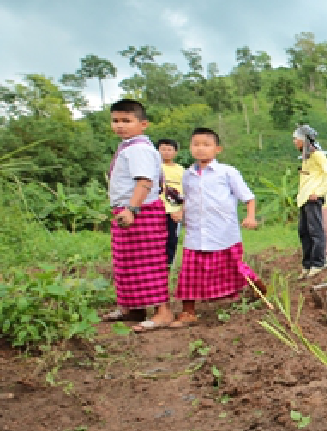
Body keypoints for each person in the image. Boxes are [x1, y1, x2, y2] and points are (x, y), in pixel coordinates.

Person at [164, 128, 262, 329]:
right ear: (190, 148)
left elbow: (248, 197)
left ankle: (260, 289)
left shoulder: (227, 172)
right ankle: (188, 312)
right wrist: (180, 212)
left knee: (235, 268)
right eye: (196, 144)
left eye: (206, 144)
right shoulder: (188, 175)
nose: (200, 149)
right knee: (189, 273)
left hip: (223, 233)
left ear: (217, 149)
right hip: (195, 234)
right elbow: (188, 199)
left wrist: (250, 217)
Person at [103, 99, 173, 330]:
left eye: (126, 121)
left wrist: (132, 209)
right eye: (116, 121)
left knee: (148, 263)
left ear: (143, 124)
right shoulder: (129, 146)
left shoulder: (138, 149)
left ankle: (162, 312)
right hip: (129, 211)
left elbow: (144, 181)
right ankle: (132, 308)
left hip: (140, 211)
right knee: (127, 262)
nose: (120, 125)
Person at [293, 124, 327, 278]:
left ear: (304, 139)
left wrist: (319, 192)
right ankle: (307, 265)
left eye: (296, 138)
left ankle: (318, 263)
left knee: (315, 231)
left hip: (313, 199)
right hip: (304, 199)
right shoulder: (306, 156)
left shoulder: (317, 155)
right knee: (304, 231)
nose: (294, 141)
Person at [158, 138, 184, 268]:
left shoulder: (181, 170)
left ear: (175, 152)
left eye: (169, 149)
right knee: (156, 239)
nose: (166, 152)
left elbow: (187, 192)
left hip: (174, 211)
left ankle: (169, 266)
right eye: (163, 149)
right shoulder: (154, 167)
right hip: (156, 210)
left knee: (172, 239)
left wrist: (181, 211)